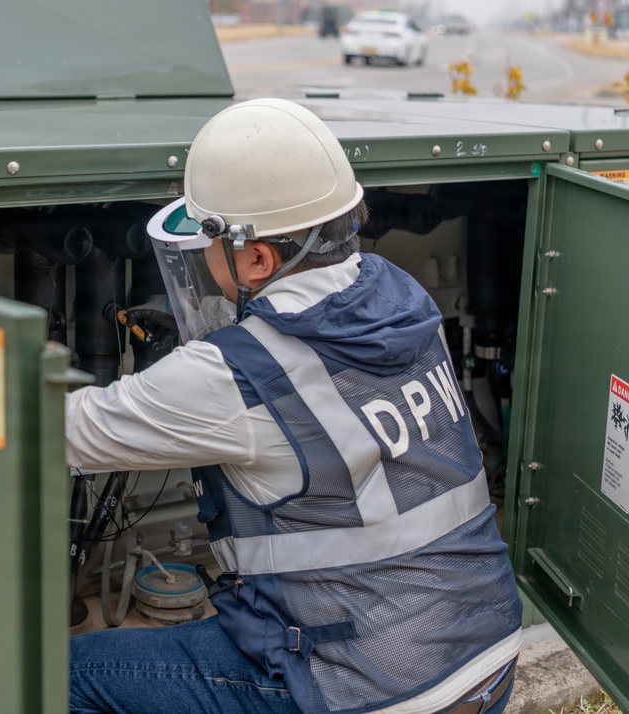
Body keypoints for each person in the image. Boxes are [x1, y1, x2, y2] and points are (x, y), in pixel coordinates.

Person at [65, 98, 523, 714]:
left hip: (371, 692)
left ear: (256, 258)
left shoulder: (236, 372)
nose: (200, 254)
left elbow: (58, 432)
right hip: (487, 661)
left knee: (61, 675)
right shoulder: (404, 296)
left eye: (208, 240)